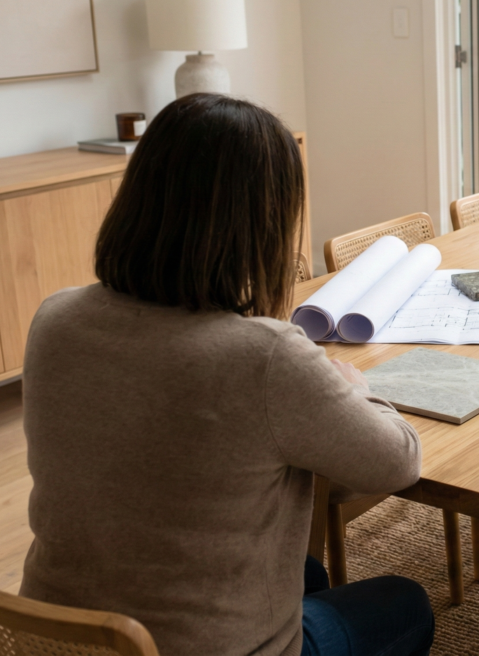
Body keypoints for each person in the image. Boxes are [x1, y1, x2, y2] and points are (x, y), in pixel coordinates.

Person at [19, 94, 434, 656]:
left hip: (55, 638)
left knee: (308, 573)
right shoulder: (263, 357)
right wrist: (361, 393)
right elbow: (397, 461)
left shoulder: (53, 318)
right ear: (262, 222)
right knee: (404, 603)